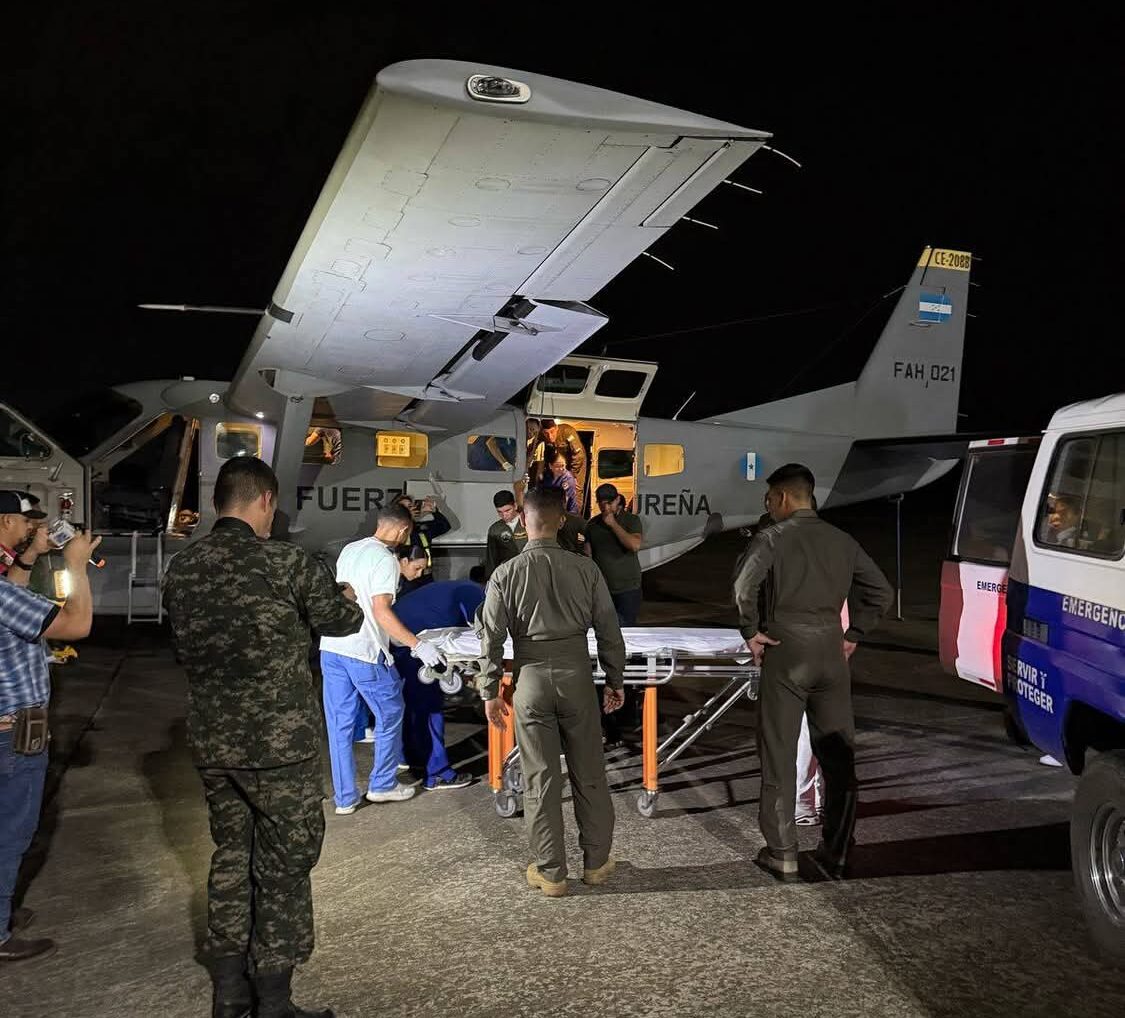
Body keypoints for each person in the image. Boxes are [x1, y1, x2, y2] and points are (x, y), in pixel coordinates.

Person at [163, 456, 363, 1018]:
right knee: (285, 864)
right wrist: (345, 596)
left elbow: (180, 645)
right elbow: (342, 621)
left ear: (218, 502)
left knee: (231, 855)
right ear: (266, 501)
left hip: (213, 743)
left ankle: (229, 993)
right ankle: (274, 999)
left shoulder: (184, 566)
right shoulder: (286, 562)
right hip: (280, 747)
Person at [733, 463, 892, 881]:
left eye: (769, 499)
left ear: (783, 497)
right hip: (830, 649)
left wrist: (750, 631)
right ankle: (837, 851)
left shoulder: (771, 538)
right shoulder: (842, 540)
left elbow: (744, 588)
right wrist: (854, 632)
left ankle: (782, 852)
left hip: (786, 648)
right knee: (838, 756)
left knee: (779, 753)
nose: (768, 506)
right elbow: (881, 592)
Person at [477, 487, 626, 897]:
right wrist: (615, 679)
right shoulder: (586, 570)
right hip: (576, 675)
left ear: (523, 522)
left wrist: (489, 690)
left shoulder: (505, 574)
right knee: (589, 772)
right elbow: (609, 630)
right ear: (562, 521)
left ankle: (551, 873)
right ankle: (596, 863)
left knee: (540, 778)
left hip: (529, 679)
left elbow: (490, 637)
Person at [0, 527, 100, 965]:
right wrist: (75, 565)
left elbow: (13, 598)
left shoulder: (5, 593)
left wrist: (30, 558)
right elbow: (77, 624)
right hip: (12, 736)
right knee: (10, 835)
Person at [320, 504, 448, 814]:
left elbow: (347, 596)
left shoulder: (350, 549)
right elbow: (380, 610)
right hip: (364, 650)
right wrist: (418, 645)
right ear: (403, 530)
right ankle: (382, 784)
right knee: (391, 712)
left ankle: (345, 798)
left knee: (339, 725)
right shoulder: (386, 559)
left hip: (332, 647)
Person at [390, 556, 483, 790]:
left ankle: (413, 758)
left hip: (397, 637)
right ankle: (439, 774)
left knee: (414, 704)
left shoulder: (461, 587)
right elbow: (484, 634)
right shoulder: (478, 596)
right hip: (411, 641)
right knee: (429, 706)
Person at [393, 494, 451, 593]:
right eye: (404, 508)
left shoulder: (421, 528)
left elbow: (444, 526)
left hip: (426, 578)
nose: (409, 509)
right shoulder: (394, 531)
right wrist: (406, 519)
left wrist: (434, 511)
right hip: (406, 580)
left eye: (410, 506)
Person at [0, 490, 49, 584]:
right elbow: (9, 590)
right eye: (26, 521)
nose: (31, 526)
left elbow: (14, 586)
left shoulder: (6, 555)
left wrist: (33, 551)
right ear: (8, 521)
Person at [540, 419, 587, 512]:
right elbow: (533, 446)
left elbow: (579, 455)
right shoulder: (542, 435)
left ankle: (574, 516)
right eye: (546, 433)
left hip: (576, 464)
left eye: (552, 432)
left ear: (556, 428)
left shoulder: (567, 432)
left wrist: (572, 475)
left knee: (575, 489)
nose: (550, 436)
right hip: (560, 464)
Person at [484, 489, 527, 577]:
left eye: (507, 510)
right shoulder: (495, 529)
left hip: (530, 571)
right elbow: (491, 559)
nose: (504, 515)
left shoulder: (529, 523)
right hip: (508, 575)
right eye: (500, 512)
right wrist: (490, 579)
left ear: (515, 506)